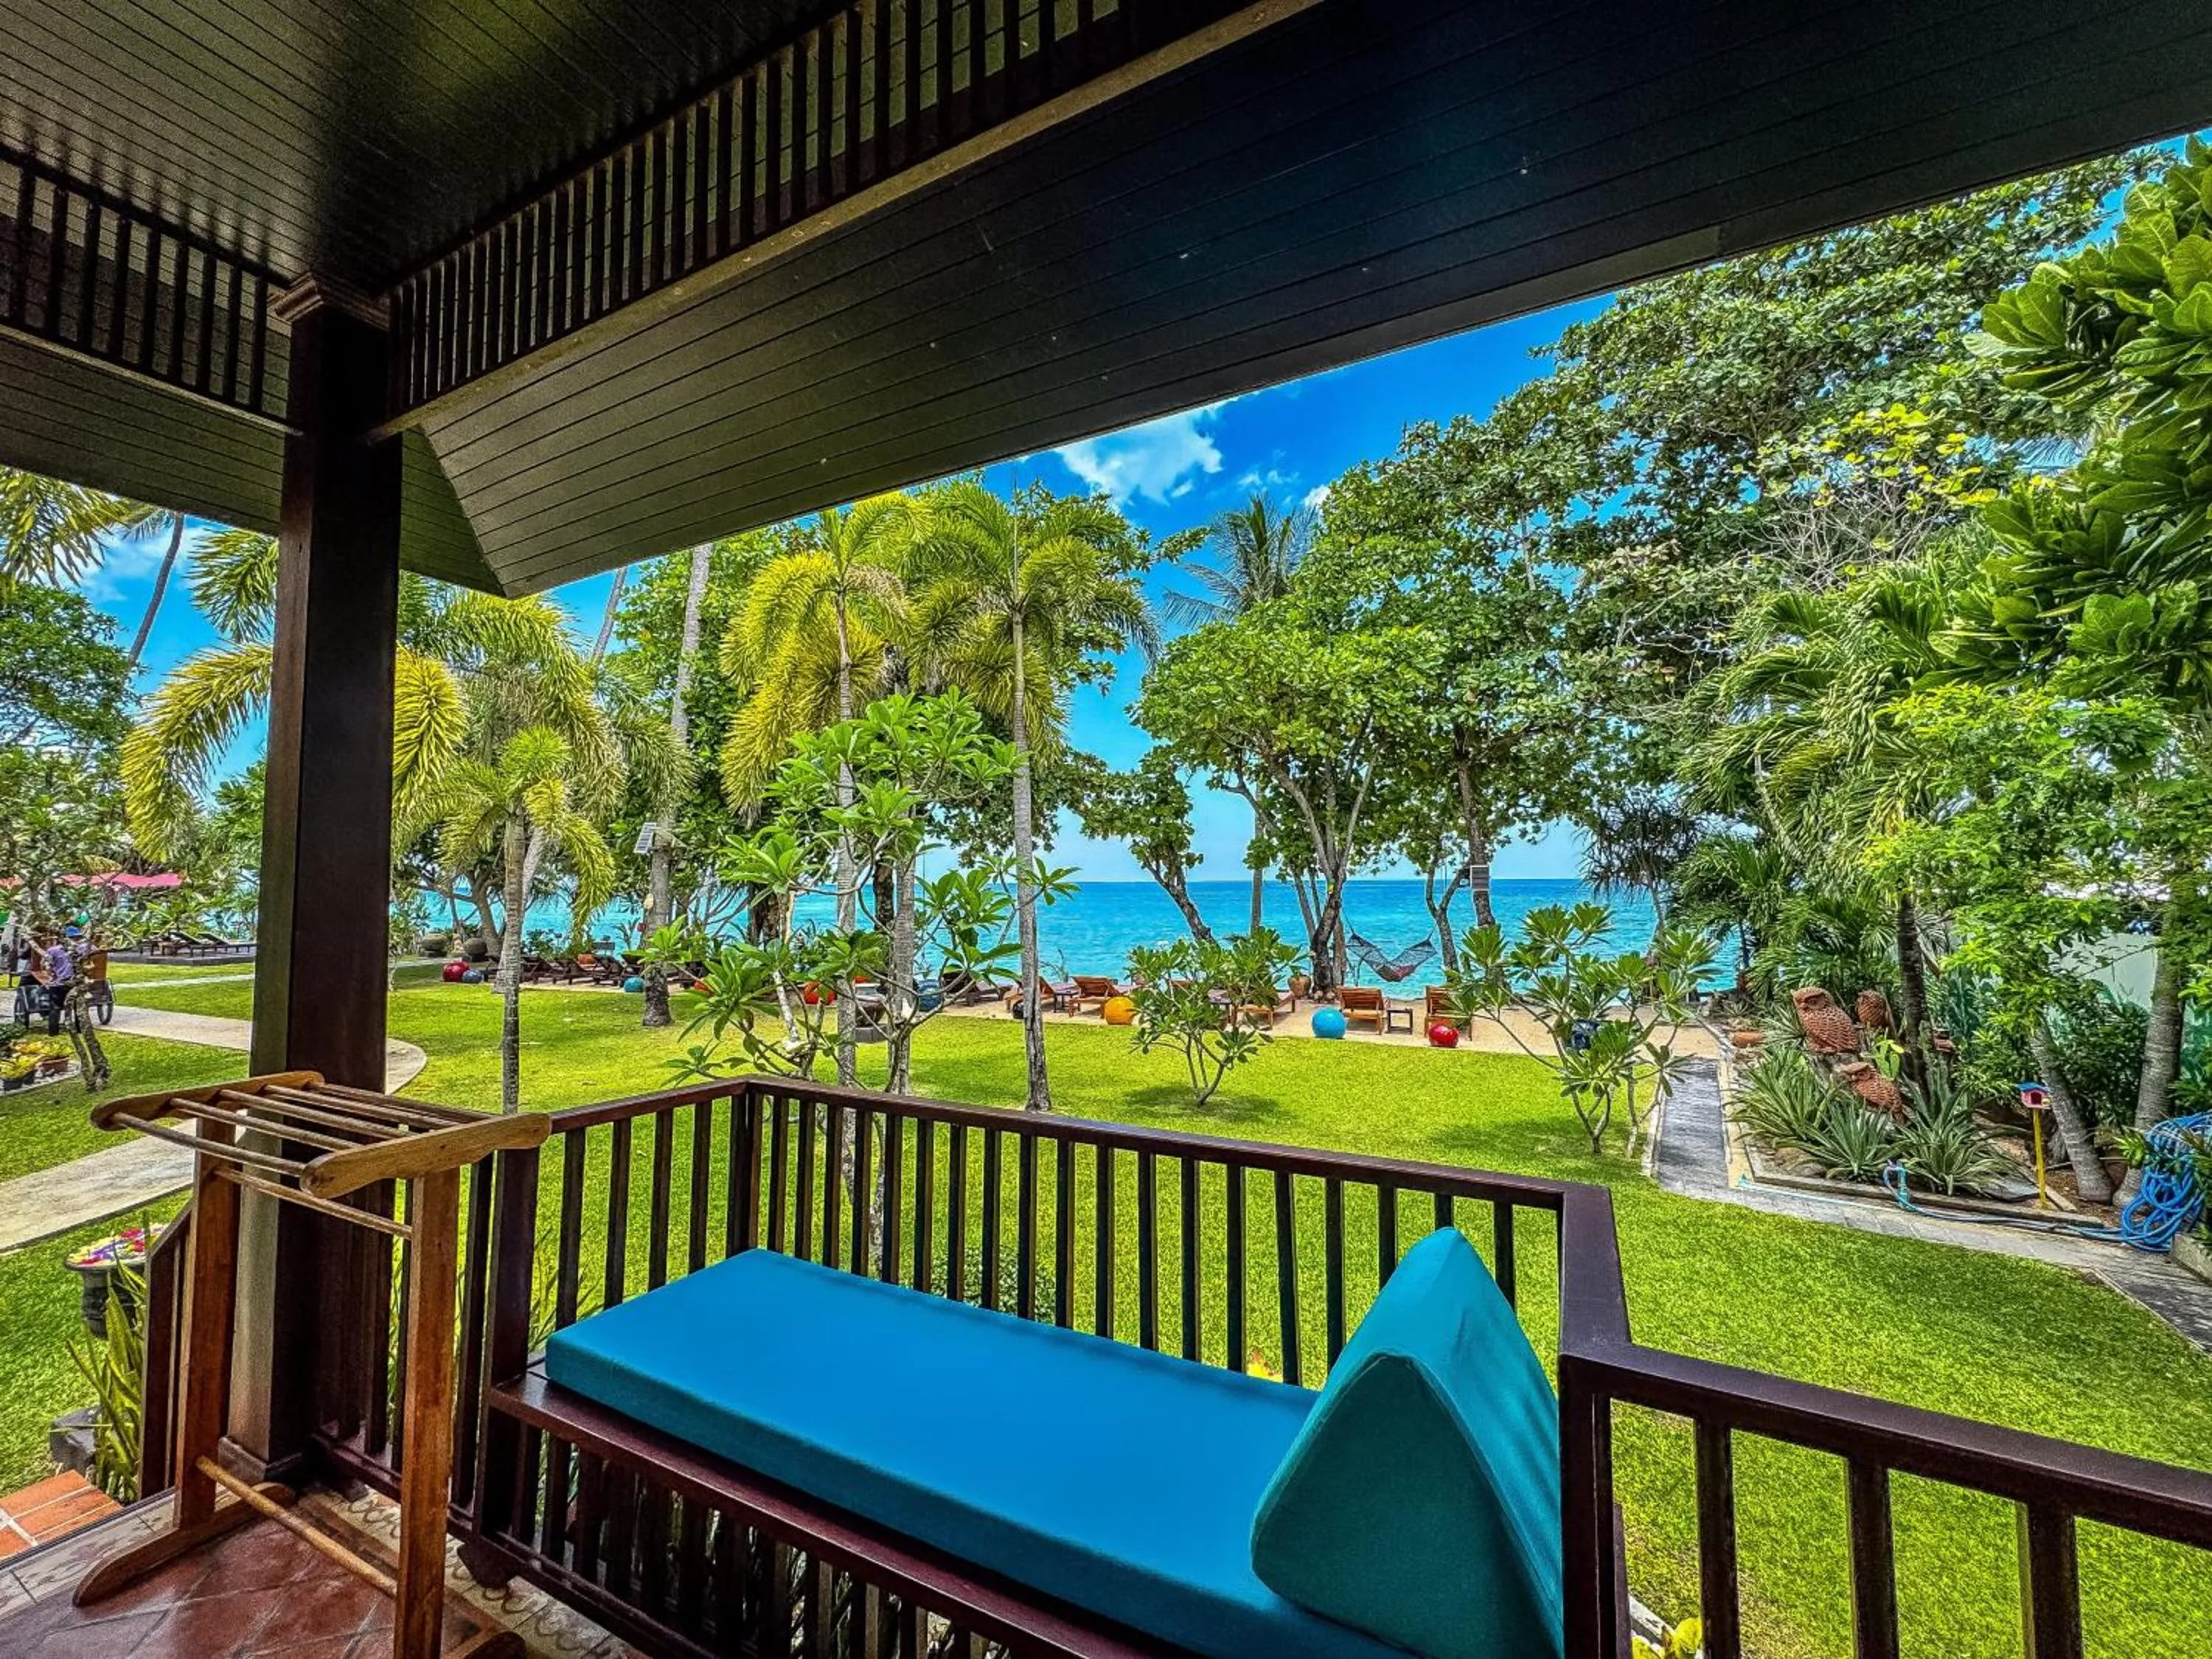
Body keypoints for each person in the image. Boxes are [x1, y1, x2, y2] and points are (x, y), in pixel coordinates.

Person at [27, 933, 74, 1037]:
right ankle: (80, 1029)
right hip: (75, 983)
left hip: (59, 983)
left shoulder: (53, 951)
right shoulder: (80, 950)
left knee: (55, 1007)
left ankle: (53, 1032)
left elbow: (44, 965)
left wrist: (52, 973)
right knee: (77, 1006)